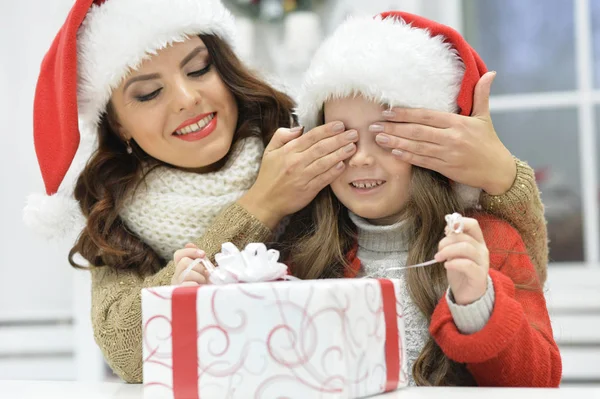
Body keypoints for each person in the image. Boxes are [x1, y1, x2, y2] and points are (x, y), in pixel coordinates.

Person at [25, 1, 548, 384]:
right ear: (117, 125)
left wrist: (501, 176)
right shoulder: (116, 215)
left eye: (199, 67)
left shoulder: (308, 151)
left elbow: (513, 274)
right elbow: (127, 352)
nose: (187, 98)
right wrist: (258, 208)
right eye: (148, 92)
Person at [276, 11, 560, 387]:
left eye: (384, 136)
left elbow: (539, 383)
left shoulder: (489, 242)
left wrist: (478, 303)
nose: (360, 158)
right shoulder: (304, 250)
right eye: (340, 137)